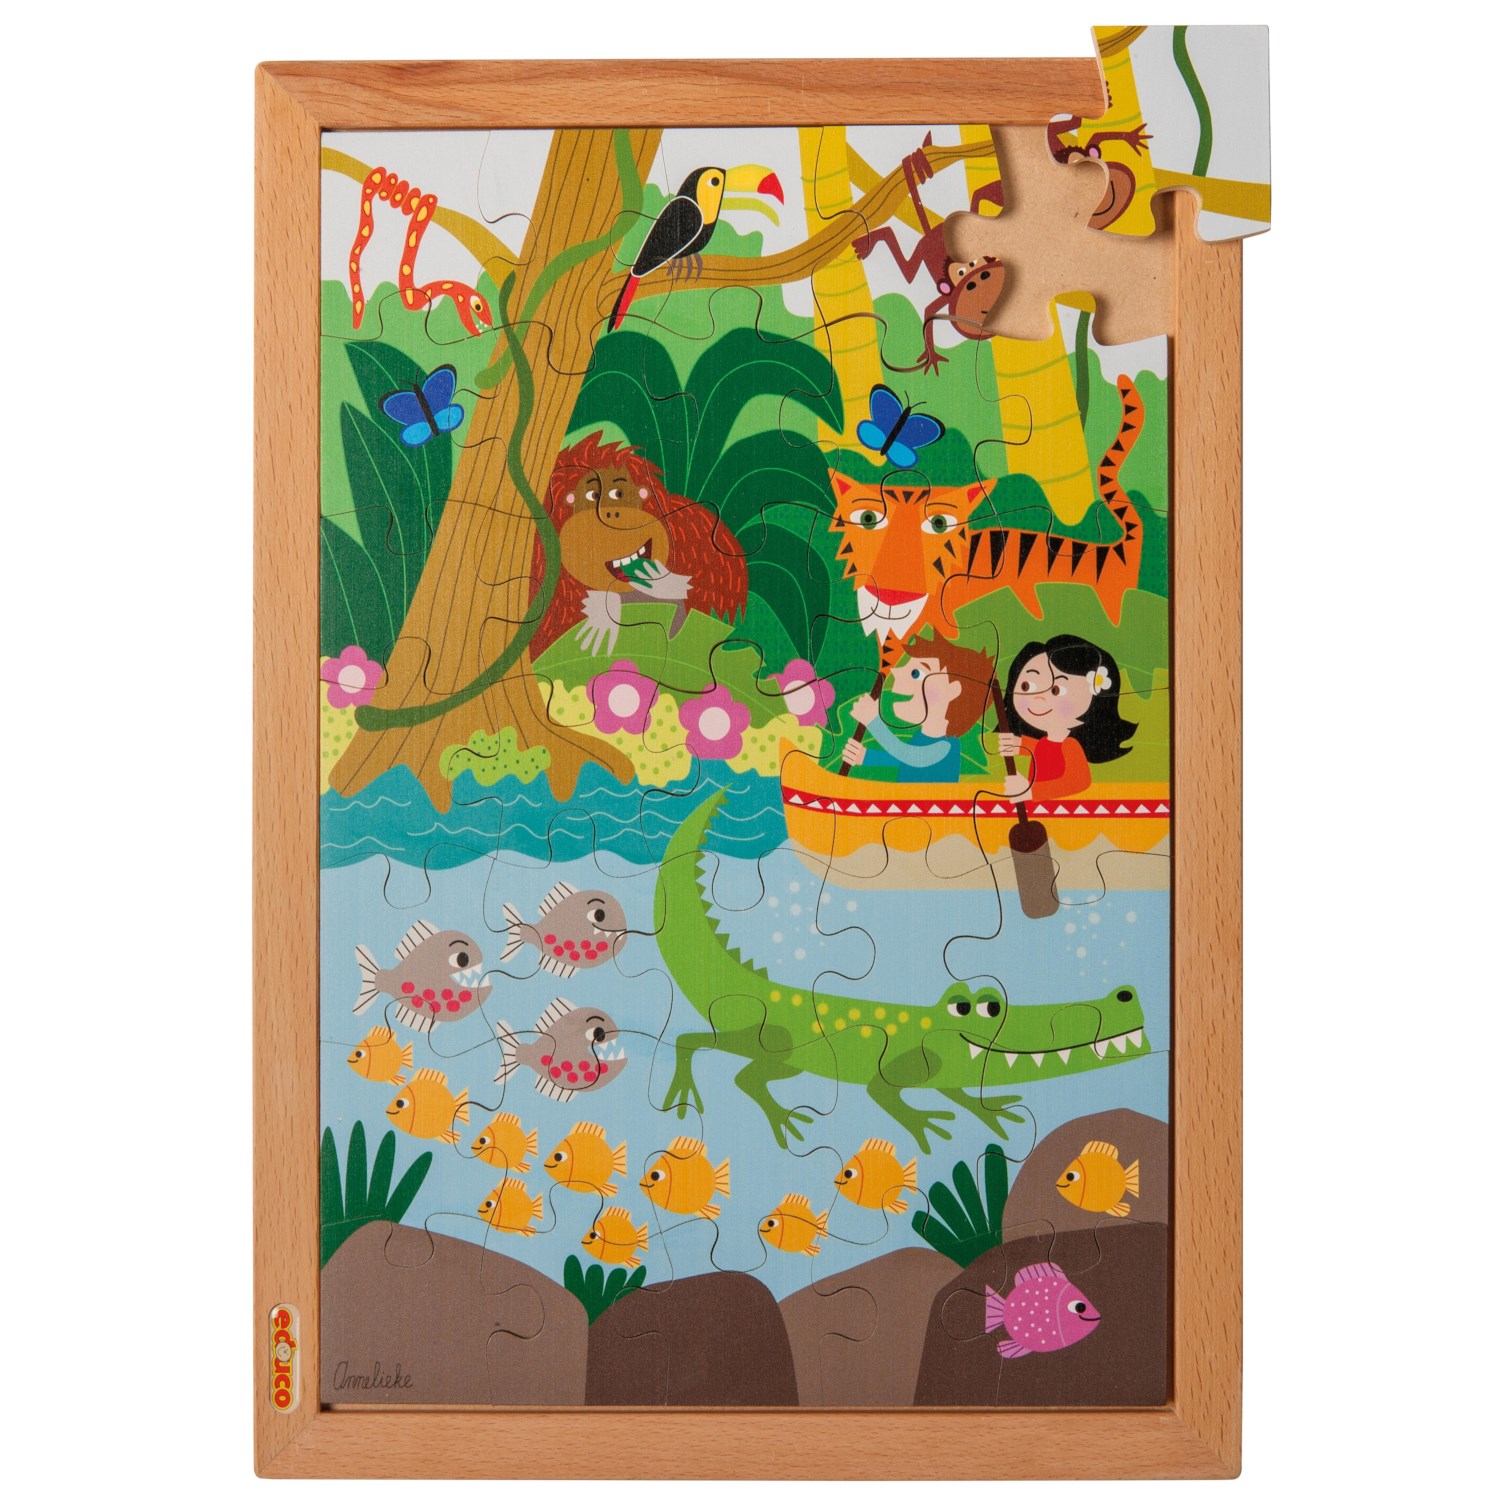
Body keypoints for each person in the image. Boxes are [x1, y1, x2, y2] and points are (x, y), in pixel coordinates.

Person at [997, 635, 1136, 800]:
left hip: (1058, 809)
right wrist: (1019, 744)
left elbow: (1078, 782)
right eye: (1026, 686)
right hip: (1041, 806)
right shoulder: (1047, 742)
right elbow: (1043, 750)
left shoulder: (1071, 746)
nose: (1038, 698)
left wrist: (1031, 791)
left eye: (1056, 690)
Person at [841, 638, 995, 782]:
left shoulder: (946, 745)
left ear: (953, 690)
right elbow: (902, 759)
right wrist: (866, 756)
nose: (896, 672)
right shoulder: (921, 737)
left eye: (916, 673)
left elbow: (911, 756)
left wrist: (874, 723)